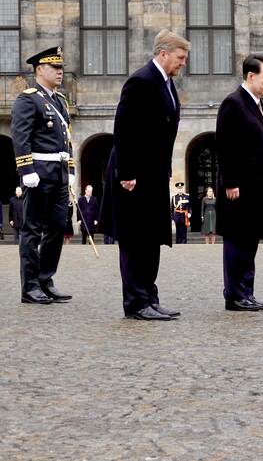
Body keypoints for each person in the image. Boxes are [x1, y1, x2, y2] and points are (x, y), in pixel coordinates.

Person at [98, 29, 189, 321]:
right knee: (136, 239)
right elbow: (123, 127)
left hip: (152, 173)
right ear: (163, 54)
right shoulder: (141, 81)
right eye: (180, 57)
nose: (182, 63)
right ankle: (136, 302)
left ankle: (149, 296)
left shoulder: (166, 84)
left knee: (151, 237)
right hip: (133, 175)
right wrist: (127, 172)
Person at [215, 54, 263, 312]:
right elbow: (225, 145)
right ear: (251, 76)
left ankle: (246, 292)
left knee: (250, 242)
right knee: (237, 242)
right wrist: (230, 182)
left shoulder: (256, 103)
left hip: (256, 189)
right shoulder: (233, 103)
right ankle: (234, 295)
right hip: (239, 189)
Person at [11, 46, 74, 304]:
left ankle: (46, 280)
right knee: (32, 230)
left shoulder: (60, 101)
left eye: (61, 67)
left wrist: (70, 170)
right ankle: (30, 287)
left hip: (57, 174)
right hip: (37, 174)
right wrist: (26, 170)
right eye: (54, 67)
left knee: (58, 228)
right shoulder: (28, 99)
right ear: (39, 70)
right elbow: (20, 136)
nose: (60, 72)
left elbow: (67, 140)